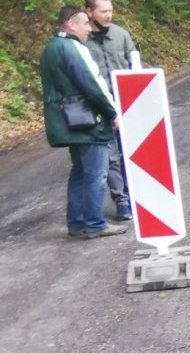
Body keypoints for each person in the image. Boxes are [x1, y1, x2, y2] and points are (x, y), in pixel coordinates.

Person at [40, 6, 127, 239]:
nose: (89, 28)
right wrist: (112, 112)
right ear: (71, 24)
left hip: (68, 122)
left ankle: (77, 223)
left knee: (79, 172)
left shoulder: (50, 48)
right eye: (85, 24)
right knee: (97, 173)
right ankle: (95, 223)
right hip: (87, 122)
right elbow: (92, 84)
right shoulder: (72, 47)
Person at [84, 0, 135, 220]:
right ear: (89, 12)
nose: (109, 15)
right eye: (103, 11)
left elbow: (135, 64)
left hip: (127, 104)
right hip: (101, 108)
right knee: (111, 156)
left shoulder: (122, 35)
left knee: (132, 151)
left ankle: (138, 195)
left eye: (111, 10)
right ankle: (122, 200)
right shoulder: (82, 42)